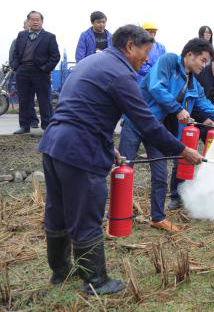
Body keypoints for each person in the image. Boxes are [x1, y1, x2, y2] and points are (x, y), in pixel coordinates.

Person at [38, 25, 200, 295]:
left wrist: (107, 146)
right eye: (145, 52)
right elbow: (146, 123)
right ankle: (96, 281)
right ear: (129, 47)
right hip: (80, 152)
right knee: (87, 214)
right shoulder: (121, 74)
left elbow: (81, 107)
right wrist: (182, 149)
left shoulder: (93, 62)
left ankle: (60, 271)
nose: (146, 60)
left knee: (57, 210)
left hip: (54, 145)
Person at [119, 39, 214, 226]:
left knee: (160, 175)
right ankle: (116, 218)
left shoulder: (193, 84)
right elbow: (156, 87)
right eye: (203, 60)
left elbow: (208, 107)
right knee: (124, 170)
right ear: (190, 55)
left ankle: (158, 217)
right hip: (135, 122)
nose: (204, 65)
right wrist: (177, 109)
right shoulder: (169, 61)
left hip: (155, 129)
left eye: (206, 61)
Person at [12, 11, 60, 134]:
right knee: (24, 100)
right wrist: (17, 67)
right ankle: (24, 126)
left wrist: (45, 69)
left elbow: (55, 56)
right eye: (32, 19)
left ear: (42, 21)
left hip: (40, 72)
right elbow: (15, 53)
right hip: (23, 71)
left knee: (44, 100)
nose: (35, 22)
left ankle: (46, 126)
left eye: (37, 19)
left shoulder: (49, 37)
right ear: (28, 21)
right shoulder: (21, 35)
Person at [10, 19, 39, 128]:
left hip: (38, 73)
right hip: (22, 73)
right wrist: (17, 68)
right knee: (25, 99)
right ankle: (30, 122)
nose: (32, 25)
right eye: (29, 24)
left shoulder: (42, 38)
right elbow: (13, 56)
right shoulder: (17, 40)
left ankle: (36, 120)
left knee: (40, 99)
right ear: (24, 26)